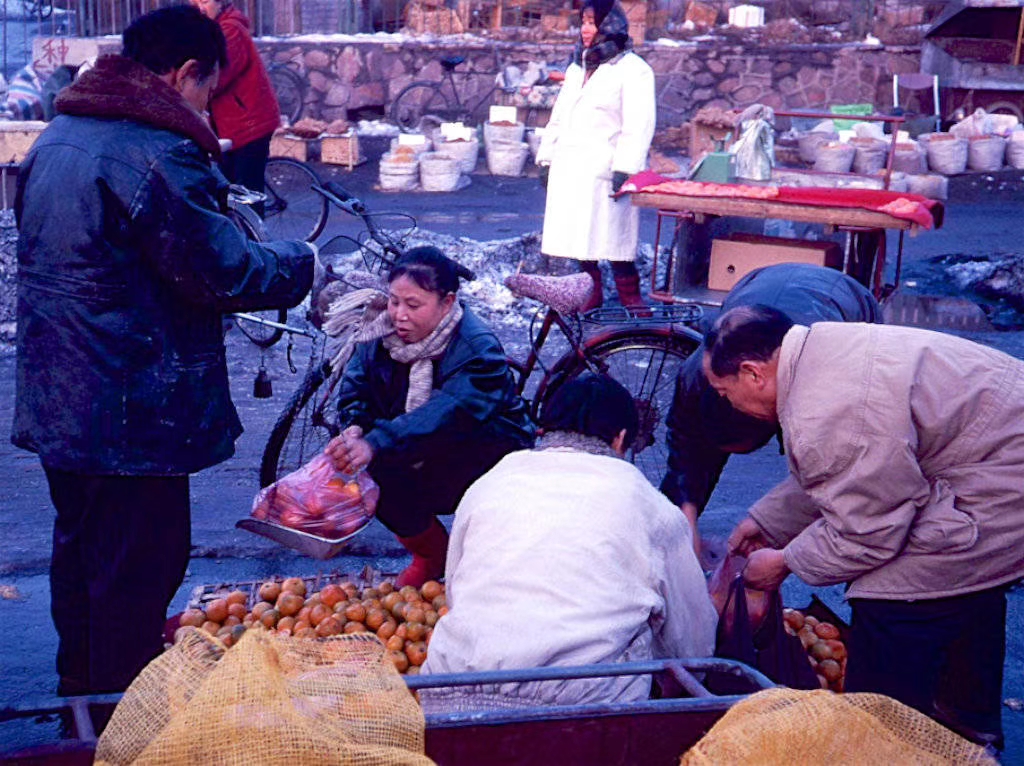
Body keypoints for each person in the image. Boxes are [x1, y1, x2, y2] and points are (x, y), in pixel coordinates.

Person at [12, 6, 315, 696]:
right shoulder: (153, 150)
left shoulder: (60, 134)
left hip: (60, 395)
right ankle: (122, 716)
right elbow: (223, 271)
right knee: (139, 567)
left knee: (82, 557)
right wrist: (303, 264)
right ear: (184, 74)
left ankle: (79, 699)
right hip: (131, 405)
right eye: (208, 89)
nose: (207, 105)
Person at [707, 305, 1024, 750]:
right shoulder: (821, 352)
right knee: (961, 588)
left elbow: (868, 532)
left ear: (753, 373)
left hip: (1004, 483)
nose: (728, 405)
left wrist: (785, 561)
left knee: (895, 592)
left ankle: (885, 742)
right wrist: (766, 522)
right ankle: (967, 732)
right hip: (990, 459)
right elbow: (851, 470)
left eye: (725, 393)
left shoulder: (826, 409)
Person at [420, 373, 717, 709]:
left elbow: (457, 589)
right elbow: (692, 642)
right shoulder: (643, 499)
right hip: (581, 704)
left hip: (448, 687)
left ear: (544, 431)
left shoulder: (493, 480)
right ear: (620, 440)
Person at [325, 246, 534, 587]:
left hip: (486, 446)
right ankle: (432, 555)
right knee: (374, 472)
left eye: (413, 305)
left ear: (447, 303)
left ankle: (490, 565)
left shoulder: (478, 348)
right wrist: (354, 428)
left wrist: (377, 442)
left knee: (389, 456)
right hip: (413, 438)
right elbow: (356, 386)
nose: (399, 315)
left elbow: (451, 411)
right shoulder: (378, 332)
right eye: (394, 301)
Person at [662, 263, 883, 551]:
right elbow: (684, 457)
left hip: (844, 297)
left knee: (824, 461)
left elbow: (829, 481)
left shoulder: (816, 379)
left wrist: (778, 550)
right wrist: (685, 529)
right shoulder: (699, 376)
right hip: (756, 281)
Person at [534, 0, 655, 312]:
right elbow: (559, 116)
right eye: (583, 22)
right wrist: (546, 158)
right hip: (570, 167)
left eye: (593, 22)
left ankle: (632, 301)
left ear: (610, 26)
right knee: (579, 239)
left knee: (616, 243)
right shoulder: (578, 67)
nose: (586, 29)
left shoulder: (634, 70)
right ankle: (591, 296)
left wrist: (626, 168)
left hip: (606, 168)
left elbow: (638, 125)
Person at [192, 0, 280, 193]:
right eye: (194, 1)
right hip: (230, 124)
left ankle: (254, 224)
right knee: (231, 188)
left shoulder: (230, 30)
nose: (199, 7)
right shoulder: (213, 29)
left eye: (205, 1)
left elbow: (219, 76)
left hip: (250, 123)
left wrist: (191, 91)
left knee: (247, 193)